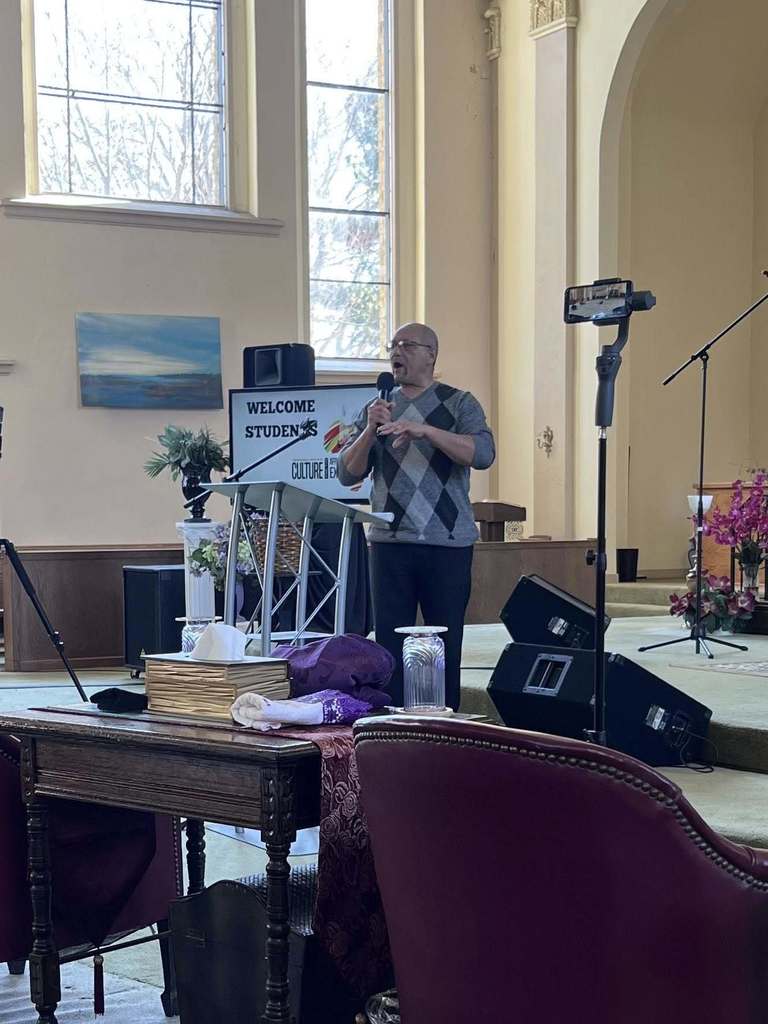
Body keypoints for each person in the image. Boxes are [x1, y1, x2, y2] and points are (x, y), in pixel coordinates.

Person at [337, 322, 495, 710]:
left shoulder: (459, 403)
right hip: (390, 543)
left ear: (431, 355)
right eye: (393, 345)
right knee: (389, 646)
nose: (397, 352)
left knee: (446, 642)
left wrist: (426, 431)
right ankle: (394, 730)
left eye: (407, 345)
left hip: (447, 542)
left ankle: (447, 728)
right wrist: (370, 431)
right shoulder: (376, 407)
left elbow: (483, 454)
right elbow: (347, 473)